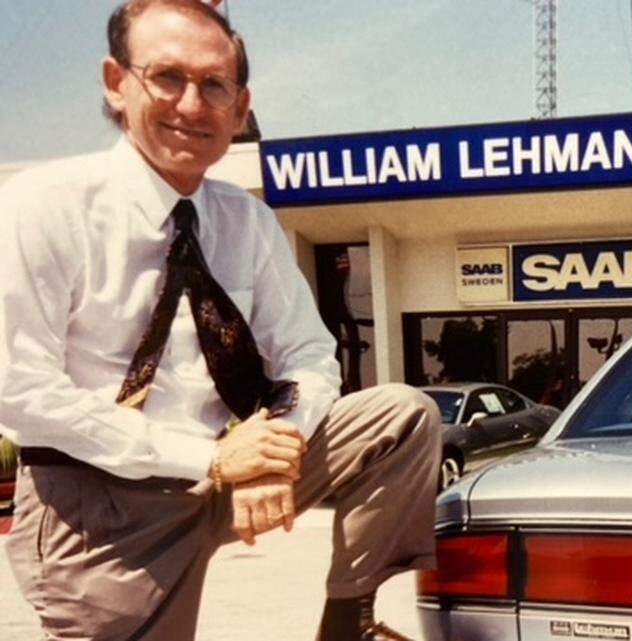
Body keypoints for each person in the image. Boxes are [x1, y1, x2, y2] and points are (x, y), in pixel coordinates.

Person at [0, 2, 441, 640]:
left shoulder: (244, 218)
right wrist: (209, 458)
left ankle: (351, 621)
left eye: (214, 85)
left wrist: (271, 453)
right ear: (115, 82)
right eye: (167, 77)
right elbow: (19, 388)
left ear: (240, 108)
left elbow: (309, 354)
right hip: (101, 501)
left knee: (397, 418)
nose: (191, 103)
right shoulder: (45, 206)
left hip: (226, 474)